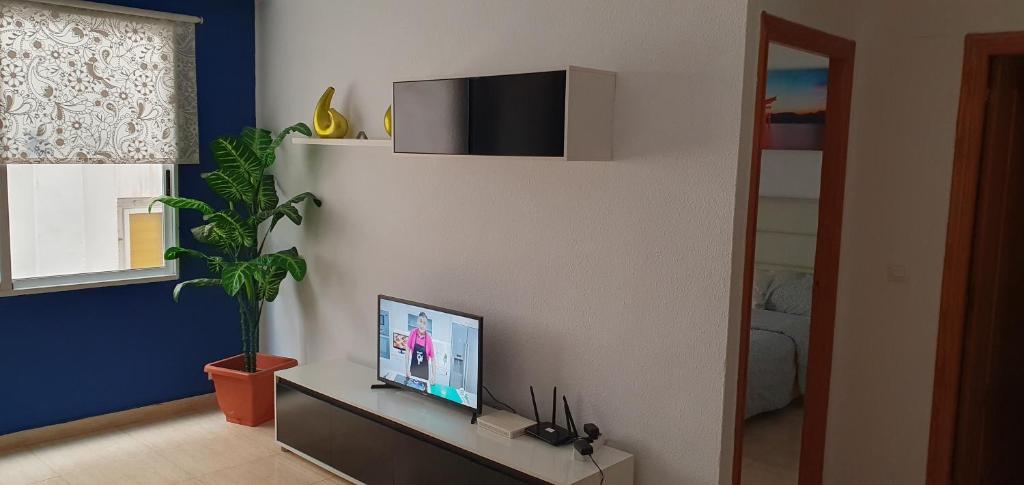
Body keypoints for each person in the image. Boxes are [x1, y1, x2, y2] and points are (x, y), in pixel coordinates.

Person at [405, 312, 435, 387]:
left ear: (426, 325)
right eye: (420, 321)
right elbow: (407, 352)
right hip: (413, 372)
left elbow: (433, 359)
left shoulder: (428, 338)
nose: (422, 325)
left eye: (424, 323)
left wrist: (434, 376)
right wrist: (407, 370)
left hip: (424, 375)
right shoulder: (413, 333)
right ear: (417, 321)